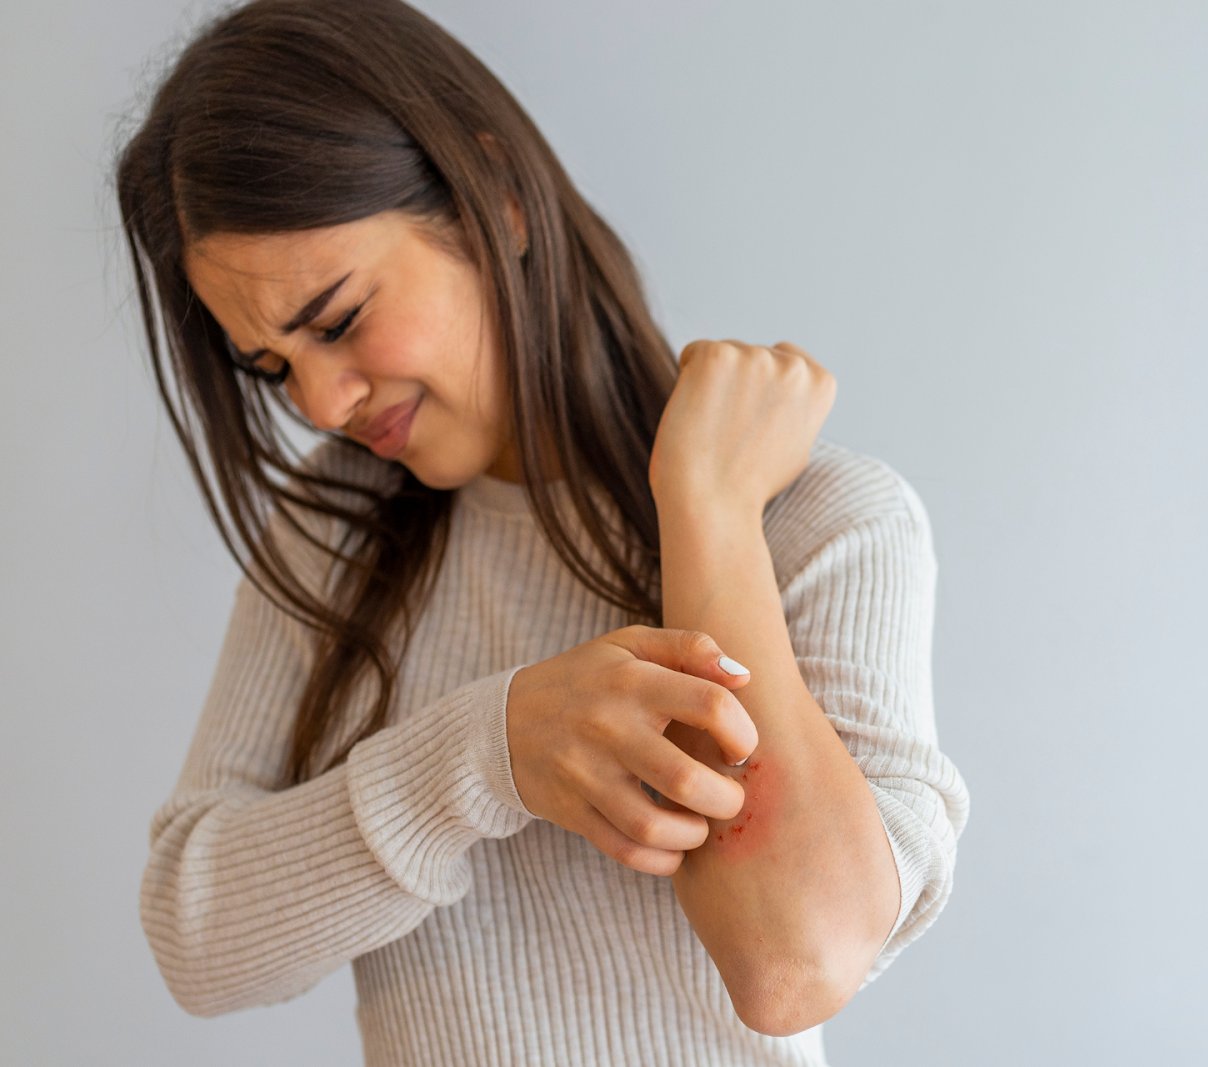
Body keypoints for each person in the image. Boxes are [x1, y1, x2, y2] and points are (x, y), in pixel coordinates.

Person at [118, 1, 968, 1063]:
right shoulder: (334, 538)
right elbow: (197, 940)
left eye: (337, 320)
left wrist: (705, 509)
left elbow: (791, 962)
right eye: (271, 365)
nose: (321, 403)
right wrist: (491, 750)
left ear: (499, 202)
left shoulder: (821, 522)